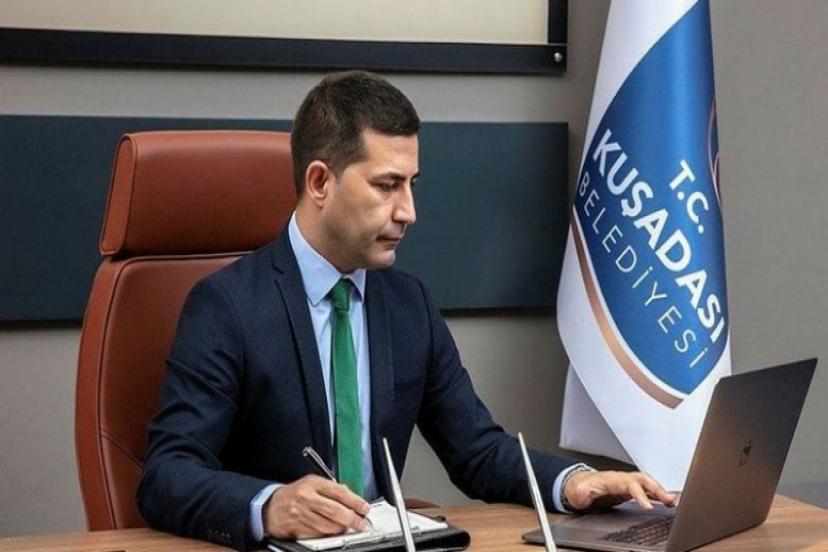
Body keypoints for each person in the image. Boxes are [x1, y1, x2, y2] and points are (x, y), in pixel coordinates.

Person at [137, 71, 675, 551]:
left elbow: (477, 450)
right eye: (386, 185)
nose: (409, 212)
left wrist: (573, 482)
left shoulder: (408, 304)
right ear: (320, 182)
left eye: (411, 185)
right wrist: (270, 505)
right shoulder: (226, 306)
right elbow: (166, 474)